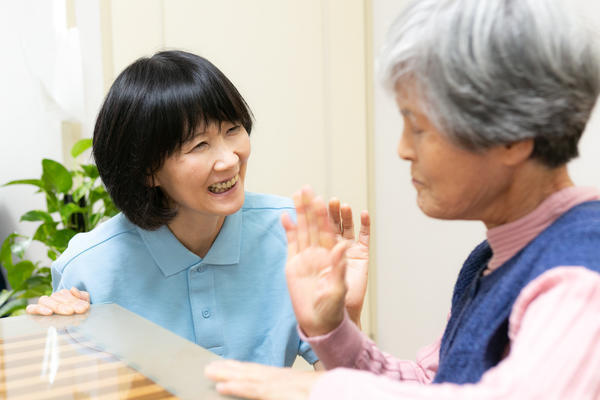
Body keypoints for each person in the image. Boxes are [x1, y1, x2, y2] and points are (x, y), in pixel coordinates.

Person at [204, 0, 600, 397]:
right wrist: (332, 328)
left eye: (418, 127)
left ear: (513, 138)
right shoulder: (494, 258)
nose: (402, 149)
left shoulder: (581, 272)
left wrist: (315, 391)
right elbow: (434, 385)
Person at [25, 50, 371, 368]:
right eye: (199, 144)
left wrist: (346, 320)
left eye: (232, 129)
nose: (229, 159)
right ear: (147, 169)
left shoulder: (290, 233)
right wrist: (53, 330)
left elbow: (340, 382)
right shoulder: (90, 268)